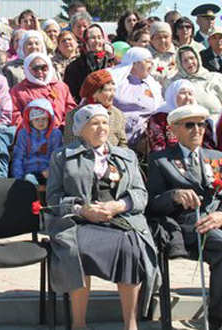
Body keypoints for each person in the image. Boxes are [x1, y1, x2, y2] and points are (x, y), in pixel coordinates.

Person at [47, 104, 159, 330]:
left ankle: (131, 324)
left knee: (131, 250)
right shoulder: (63, 156)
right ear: (81, 129)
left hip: (120, 219)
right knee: (77, 250)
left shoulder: (126, 156)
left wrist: (118, 205)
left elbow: (140, 193)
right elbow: (54, 197)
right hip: (79, 221)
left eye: (105, 123)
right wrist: (82, 209)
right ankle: (79, 324)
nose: (101, 128)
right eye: (94, 123)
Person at [148, 105, 222, 330]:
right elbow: (151, 205)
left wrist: (221, 215)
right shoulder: (161, 160)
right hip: (188, 226)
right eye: (190, 125)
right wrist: (174, 196)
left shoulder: (217, 157)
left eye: (202, 125)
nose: (197, 130)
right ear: (174, 129)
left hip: (217, 220)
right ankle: (218, 316)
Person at [111, 47, 163, 153]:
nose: (151, 65)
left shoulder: (152, 85)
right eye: (147, 61)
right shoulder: (116, 82)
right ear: (134, 64)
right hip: (117, 135)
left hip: (145, 137)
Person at [63, 69, 127, 147]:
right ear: (94, 94)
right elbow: (70, 144)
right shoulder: (75, 115)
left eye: (114, 90)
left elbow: (122, 143)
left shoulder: (117, 114)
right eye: (108, 90)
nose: (113, 94)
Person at [10, 52, 76, 128]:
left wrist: (64, 127)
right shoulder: (18, 90)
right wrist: (31, 130)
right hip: (33, 136)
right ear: (27, 69)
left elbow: (71, 110)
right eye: (35, 68)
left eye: (44, 67)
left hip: (62, 133)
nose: (40, 72)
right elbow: (15, 115)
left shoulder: (61, 87)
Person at [148, 79, 215, 152]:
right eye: (183, 93)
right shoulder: (159, 118)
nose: (187, 98)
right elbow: (157, 146)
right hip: (170, 159)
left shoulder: (200, 117)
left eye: (190, 94)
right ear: (173, 95)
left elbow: (208, 146)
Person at [12, 98, 62, 187]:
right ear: (30, 121)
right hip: (29, 171)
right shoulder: (24, 134)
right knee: (29, 182)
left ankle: (53, 200)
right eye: (36, 119)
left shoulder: (55, 134)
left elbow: (58, 156)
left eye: (44, 119)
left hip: (49, 171)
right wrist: (18, 178)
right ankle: (31, 199)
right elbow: (18, 156)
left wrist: (51, 169)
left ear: (49, 119)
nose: (40, 122)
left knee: (55, 183)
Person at [168, 45, 222, 124]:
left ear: (198, 59)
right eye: (185, 60)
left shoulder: (215, 78)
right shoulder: (176, 84)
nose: (190, 62)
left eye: (192, 58)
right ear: (180, 63)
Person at [64, 24, 116, 102]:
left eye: (99, 37)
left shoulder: (112, 62)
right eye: (93, 38)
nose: (97, 41)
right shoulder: (74, 66)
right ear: (85, 41)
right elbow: (71, 93)